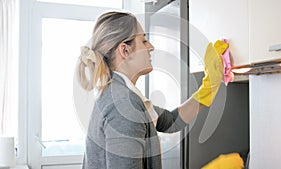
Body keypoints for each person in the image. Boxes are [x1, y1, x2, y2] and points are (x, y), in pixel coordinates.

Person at [77, 11, 224, 169]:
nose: (151, 47)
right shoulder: (123, 105)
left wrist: (208, 88)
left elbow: (170, 121)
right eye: (144, 41)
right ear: (125, 50)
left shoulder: (120, 92)